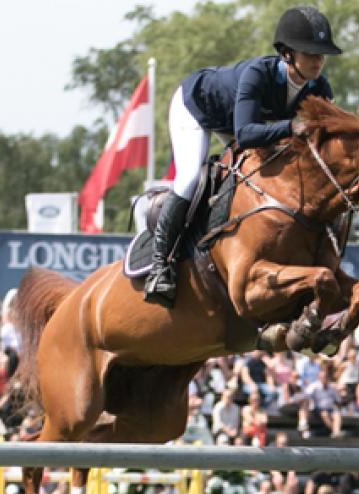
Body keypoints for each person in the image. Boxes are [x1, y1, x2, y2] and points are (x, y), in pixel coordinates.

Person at [143, 6, 342, 307]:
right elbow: (246, 133)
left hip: (246, 122)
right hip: (198, 108)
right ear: (287, 54)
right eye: (310, 53)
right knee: (190, 178)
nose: (318, 60)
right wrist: (290, 126)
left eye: (321, 54)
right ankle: (160, 266)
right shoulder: (257, 76)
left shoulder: (319, 87)